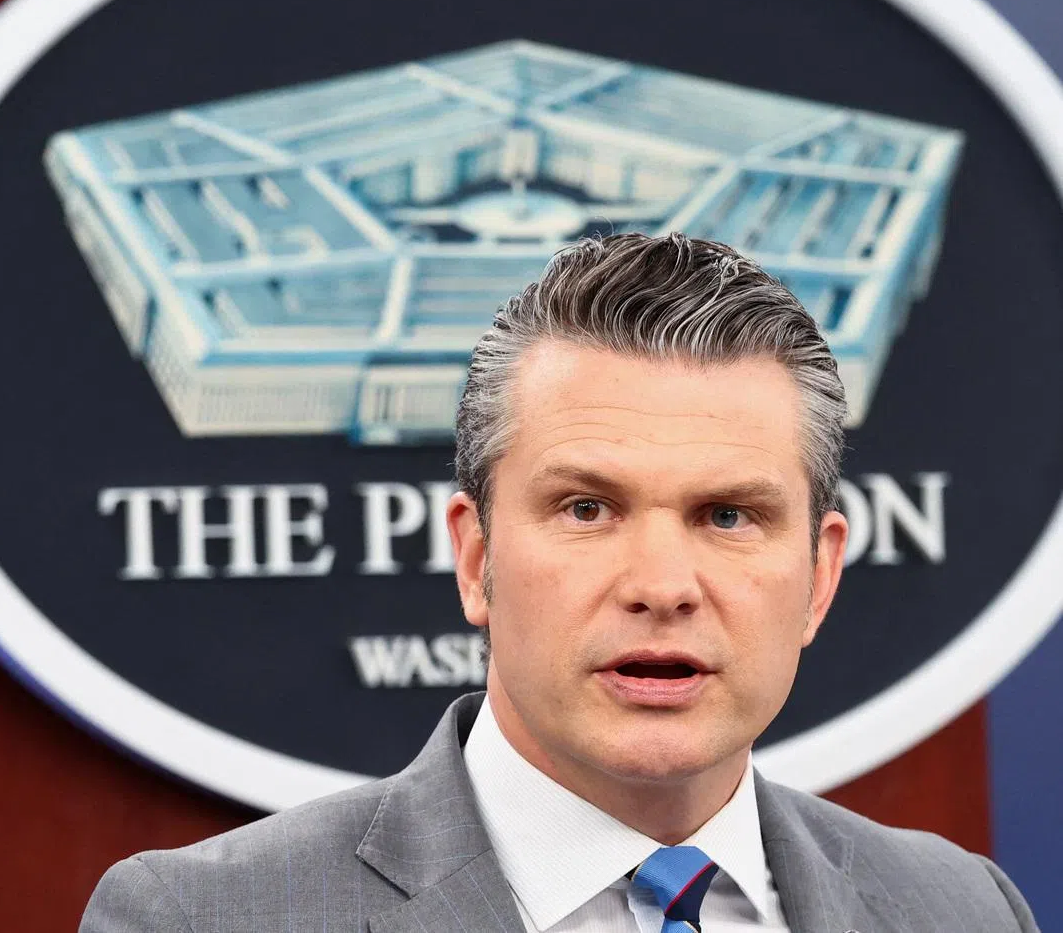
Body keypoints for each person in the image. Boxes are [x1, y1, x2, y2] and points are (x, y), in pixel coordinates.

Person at [81, 233, 1039, 933]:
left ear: (820, 576)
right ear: (476, 557)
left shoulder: (963, 909)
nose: (663, 585)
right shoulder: (200, 918)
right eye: (588, 509)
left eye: (728, 516)